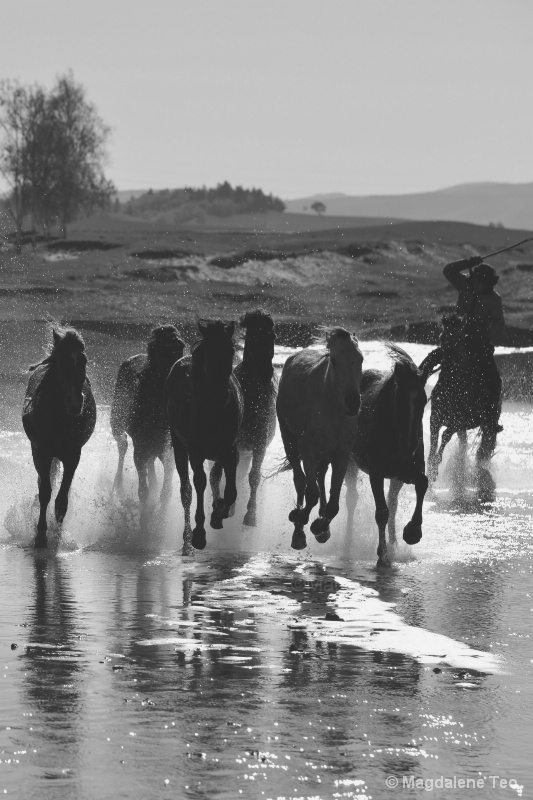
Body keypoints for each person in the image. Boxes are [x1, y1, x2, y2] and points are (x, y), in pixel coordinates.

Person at [442, 255, 505, 429]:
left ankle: (491, 420)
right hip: (455, 338)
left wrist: (485, 334)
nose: (478, 285)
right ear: (473, 277)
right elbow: (448, 270)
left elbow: (499, 325)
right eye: (477, 280)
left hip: (480, 345)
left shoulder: (494, 299)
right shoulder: (464, 284)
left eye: (483, 283)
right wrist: (468, 262)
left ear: (490, 284)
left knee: (494, 381)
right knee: (433, 361)